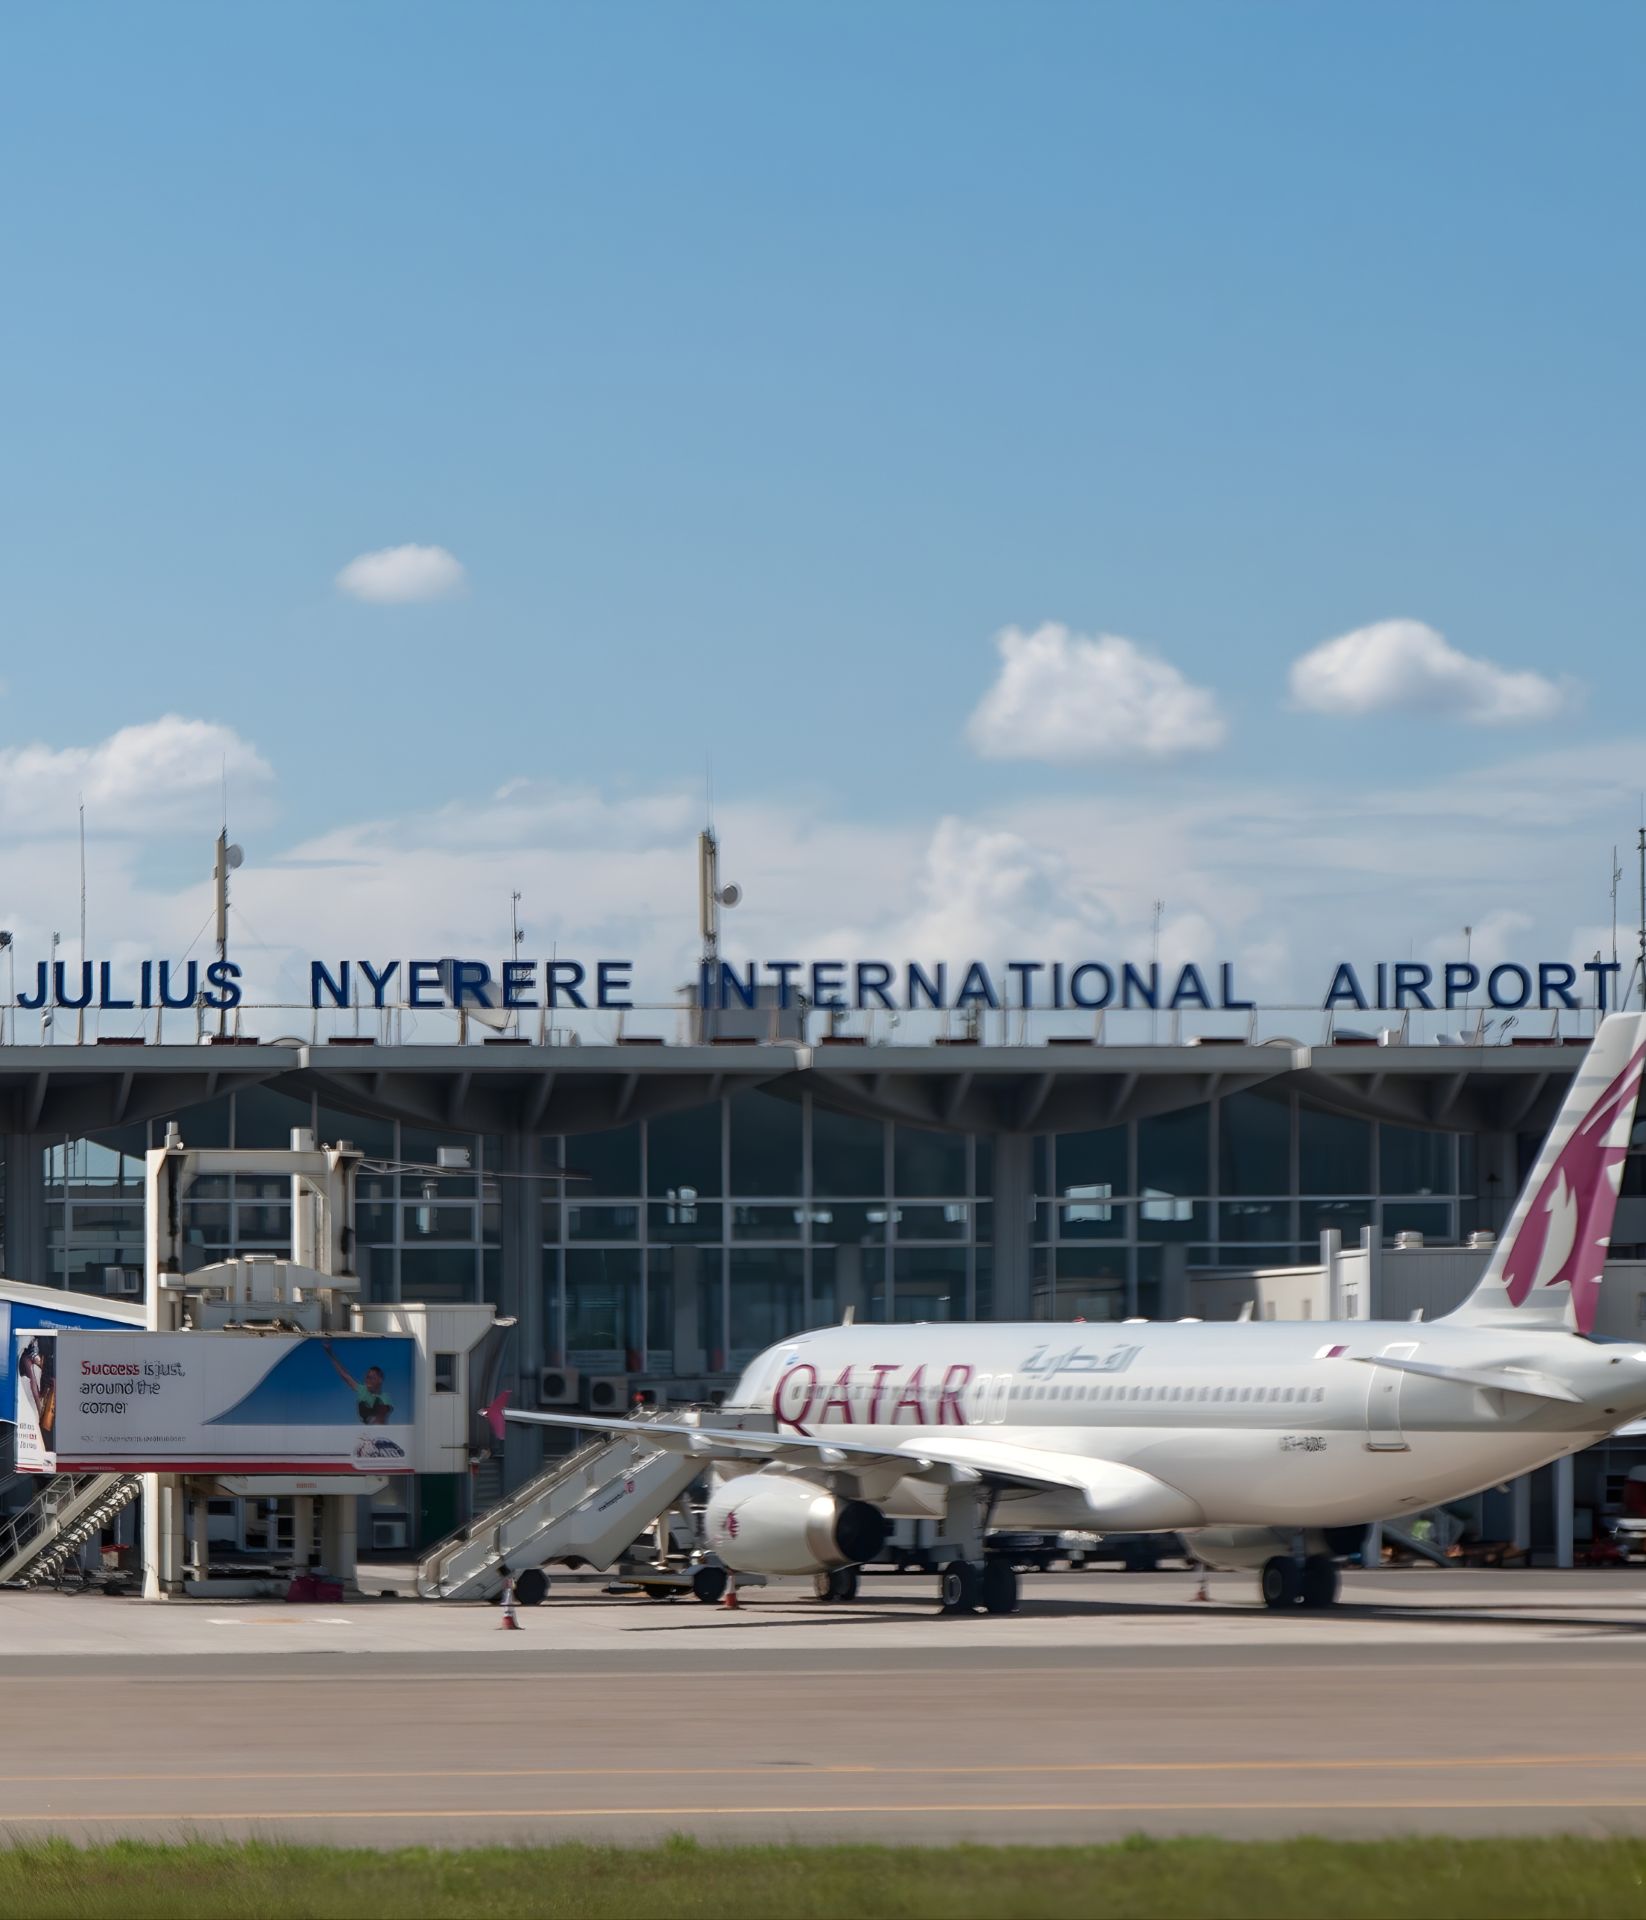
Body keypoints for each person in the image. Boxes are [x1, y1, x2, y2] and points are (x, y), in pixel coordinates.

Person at [323, 1340, 395, 1425]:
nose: (368, 1380)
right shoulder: (362, 1390)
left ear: (380, 1380)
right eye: (367, 1377)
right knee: (363, 1406)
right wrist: (330, 1353)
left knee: (378, 1405)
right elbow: (345, 1376)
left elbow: (382, 1418)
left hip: (378, 1431)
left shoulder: (385, 1398)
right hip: (365, 1431)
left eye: (372, 1378)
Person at [498, 1562, 521, 1631]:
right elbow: (513, 1588)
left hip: (506, 1600)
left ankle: (513, 1624)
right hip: (508, 1602)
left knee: (510, 1610)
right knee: (511, 1610)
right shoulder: (509, 1579)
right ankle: (513, 1625)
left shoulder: (504, 1579)